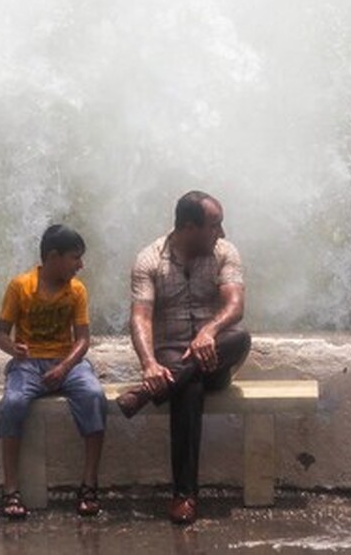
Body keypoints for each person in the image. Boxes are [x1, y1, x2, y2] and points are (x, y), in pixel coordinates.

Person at [118, 190, 251, 525]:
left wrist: (209, 331)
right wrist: (149, 364)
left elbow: (235, 305)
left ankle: (148, 393)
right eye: (214, 225)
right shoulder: (149, 259)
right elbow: (141, 318)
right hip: (170, 353)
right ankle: (184, 497)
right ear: (189, 227)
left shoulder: (224, 252)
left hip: (217, 354)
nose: (221, 232)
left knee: (240, 338)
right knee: (187, 389)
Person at [0, 224, 106, 520]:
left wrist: (64, 367)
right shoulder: (21, 286)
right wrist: (12, 349)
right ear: (53, 257)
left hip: (67, 362)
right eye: (75, 258)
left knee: (94, 395)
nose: (80, 265)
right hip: (28, 364)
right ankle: (10, 488)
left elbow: (83, 340)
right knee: (13, 403)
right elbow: (1, 334)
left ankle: (89, 483)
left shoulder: (76, 291)